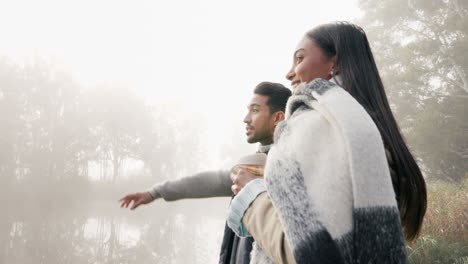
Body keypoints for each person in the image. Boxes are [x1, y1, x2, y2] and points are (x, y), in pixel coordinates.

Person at [227, 22, 427, 264]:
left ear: (334, 64)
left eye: (299, 59)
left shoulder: (316, 130)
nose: (289, 73)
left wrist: (252, 197)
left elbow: (310, 253)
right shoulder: (367, 134)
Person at [119, 81, 292, 264]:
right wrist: (155, 192)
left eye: (255, 110)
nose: (246, 118)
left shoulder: (292, 167)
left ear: (277, 118)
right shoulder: (250, 168)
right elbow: (210, 182)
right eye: (248, 110)